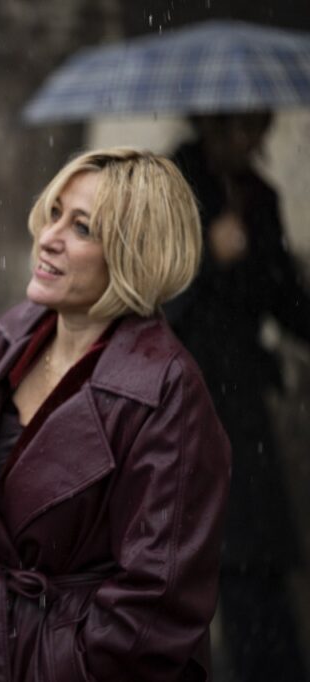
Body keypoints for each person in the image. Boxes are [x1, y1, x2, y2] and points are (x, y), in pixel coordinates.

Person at [0, 148, 230, 680]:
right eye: (54, 213)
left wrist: (57, 661)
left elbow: (156, 603)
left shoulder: (166, 391)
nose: (48, 236)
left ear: (134, 255)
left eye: (82, 227)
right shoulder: (15, 337)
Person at [167, 113, 310, 682]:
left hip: (241, 403)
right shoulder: (167, 190)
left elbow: (284, 298)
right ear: (212, 125)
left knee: (253, 555)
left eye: (258, 128)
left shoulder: (258, 198)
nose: (251, 141)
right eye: (240, 128)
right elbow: (148, 294)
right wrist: (206, 255)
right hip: (180, 402)